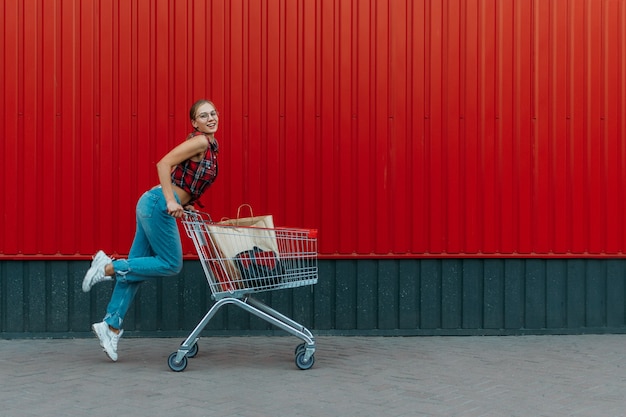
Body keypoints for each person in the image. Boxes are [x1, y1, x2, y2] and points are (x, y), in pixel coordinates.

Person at [82, 99, 220, 361]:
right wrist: (171, 200)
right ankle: (107, 267)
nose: (211, 118)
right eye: (204, 116)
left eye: (213, 113)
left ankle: (110, 326)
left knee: (134, 268)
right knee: (170, 263)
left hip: (152, 204)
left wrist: (184, 203)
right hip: (158, 205)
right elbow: (163, 164)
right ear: (195, 122)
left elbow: (186, 181)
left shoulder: (212, 145)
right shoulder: (201, 141)